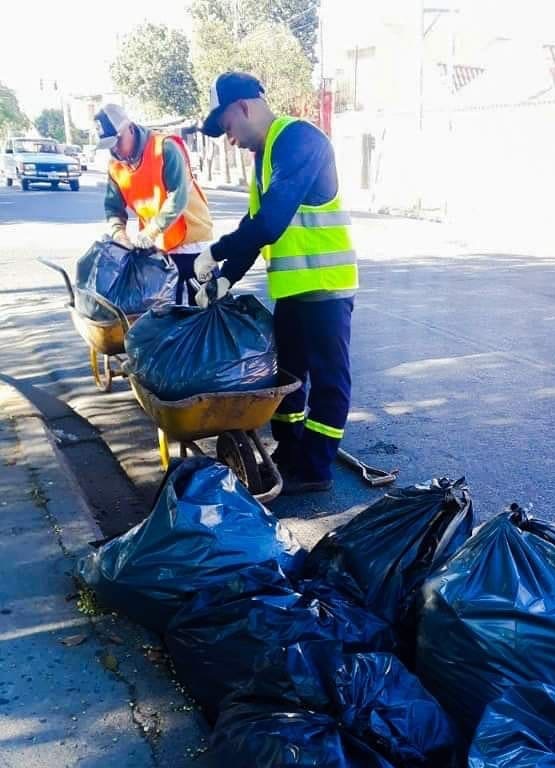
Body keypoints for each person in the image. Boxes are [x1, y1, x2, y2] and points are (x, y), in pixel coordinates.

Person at [195, 72, 358, 495]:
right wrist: (225, 278)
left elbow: (269, 224)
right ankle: (290, 451)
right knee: (286, 376)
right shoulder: (265, 157)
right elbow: (255, 224)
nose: (230, 140)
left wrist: (216, 251)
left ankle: (316, 468)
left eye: (228, 127)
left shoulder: (300, 140)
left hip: (326, 287)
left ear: (243, 107)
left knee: (328, 380)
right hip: (292, 292)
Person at [94, 104, 214, 304]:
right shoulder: (115, 166)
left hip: (192, 243)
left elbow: (178, 197)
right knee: (166, 312)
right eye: (109, 146)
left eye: (117, 142)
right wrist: (119, 234)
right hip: (158, 248)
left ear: (130, 128)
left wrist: (151, 231)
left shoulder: (164, 148)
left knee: (204, 309)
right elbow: (113, 207)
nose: (114, 150)